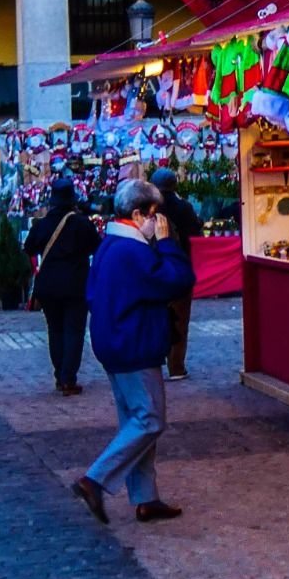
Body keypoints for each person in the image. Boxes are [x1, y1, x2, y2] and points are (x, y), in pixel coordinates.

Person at [70, 179, 195, 527]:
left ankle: (146, 497)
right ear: (139, 213)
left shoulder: (110, 245)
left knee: (135, 420)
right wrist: (168, 245)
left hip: (114, 342)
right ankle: (94, 480)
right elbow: (178, 280)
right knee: (150, 419)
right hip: (134, 345)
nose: (158, 224)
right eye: (155, 217)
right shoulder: (134, 250)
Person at [26, 176, 100, 395]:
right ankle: (69, 377)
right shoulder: (81, 222)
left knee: (55, 329)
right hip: (76, 283)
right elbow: (97, 247)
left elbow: (29, 248)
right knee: (74, 331)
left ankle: (60, 374)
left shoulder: (43, 223)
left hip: (48, 284)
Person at [149, 167, 203, 380]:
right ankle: (176, 366)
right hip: (180, 267)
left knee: (153, 316)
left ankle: (154, 362)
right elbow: (195, 232)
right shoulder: (184, 207)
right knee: (180, 319)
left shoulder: (149, 208)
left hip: (153, 268)